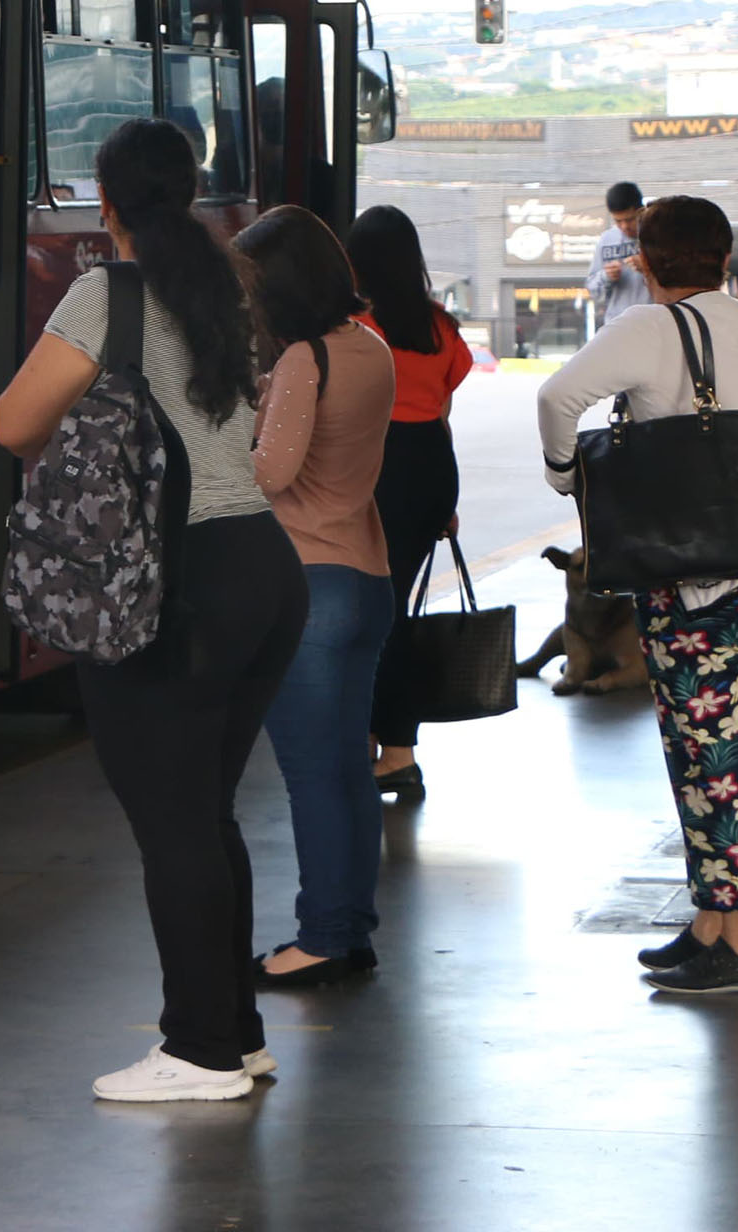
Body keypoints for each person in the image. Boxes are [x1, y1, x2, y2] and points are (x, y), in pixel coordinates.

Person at [0, 119, 303, 1101]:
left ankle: (201, 1050)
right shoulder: (223, 284)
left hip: (171, 580)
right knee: (203, 814)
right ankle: (237, 1035)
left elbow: (13, 421)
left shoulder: (106, 291)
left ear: (105, 196)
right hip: (261, 565)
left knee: (173, 823)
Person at [538, 196, 738, 996]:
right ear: (725, 260)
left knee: (712, 764)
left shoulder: (649, 327)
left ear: (646, 261)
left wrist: (564, 474)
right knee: (724, 755)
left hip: (703, 586)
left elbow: (556, 399)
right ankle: (710, 924)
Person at [237, 207, 396, 987]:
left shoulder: (306, 357)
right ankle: (349, 925)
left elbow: (270, 472)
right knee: (348, 769)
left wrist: (227, 436)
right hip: (365, 575)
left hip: (308, 581)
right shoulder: (369, 347)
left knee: (311, 773)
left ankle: (324, 936)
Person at [347, 206, 474, 799]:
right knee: (390, 608)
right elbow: (443, 415)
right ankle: (384, 743)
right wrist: (443, 499)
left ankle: (390, 750)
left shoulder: (357, 328)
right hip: (429, 468)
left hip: (379, 467)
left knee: (376, 614)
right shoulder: (440, 327)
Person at [584, 180, 650, 332]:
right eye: (618, 221)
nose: (624, 226)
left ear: (641, 211)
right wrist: (607, 276)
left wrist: (648, 268)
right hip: (617, 326)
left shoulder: (657, 236)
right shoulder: (607, 239)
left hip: (652, 324)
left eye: (630, 219)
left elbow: (676, 281)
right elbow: (593, 289)